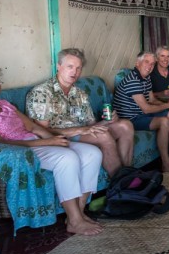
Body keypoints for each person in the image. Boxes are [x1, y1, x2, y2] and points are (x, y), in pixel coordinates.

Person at [0, 66, 103, 236]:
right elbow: (1, 143)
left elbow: (32, 126)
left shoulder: (5, 105)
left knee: (93, 153)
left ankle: (79, 211)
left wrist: (55, 141)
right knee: (67, 158)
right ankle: (75, 221)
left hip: (36, 141)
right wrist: (48, 142)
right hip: (22, 151)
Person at [27, 48, 134, 178]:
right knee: (104, 136)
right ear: (59, 66)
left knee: (125, 125)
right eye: (70, 67)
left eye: (79, 68)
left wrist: (107, 121)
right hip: (60, 137)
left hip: (83, 132)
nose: (75, 72)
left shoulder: (79, 93)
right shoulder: (42, 93)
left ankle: (128, 174)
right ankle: (121, 185)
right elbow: (42, 131)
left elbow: (92, 124)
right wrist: (80, 130)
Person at [113, 51, 169, 174]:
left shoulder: (146, 77)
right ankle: (166, 163)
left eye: (152, 64)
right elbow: (146, 108)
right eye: (146, 62)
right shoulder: (133, 80)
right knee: (164, 122)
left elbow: (152, 99)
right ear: (137, 63)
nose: (150, 66)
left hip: (141, 114)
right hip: (131, 119)